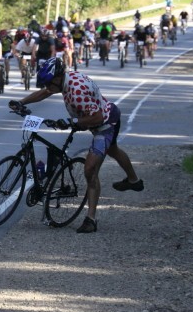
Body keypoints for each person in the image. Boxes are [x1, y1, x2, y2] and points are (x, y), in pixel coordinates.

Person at [8, 58, 143, 233]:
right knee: (113, 150)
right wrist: (22, 102)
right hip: (95, 120)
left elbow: (98, 118)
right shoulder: (64, 80)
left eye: (49, 83)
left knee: (90, 169)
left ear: (57, 78)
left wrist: (72, 122)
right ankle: (134, 181)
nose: (48, 87)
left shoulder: (76, 91)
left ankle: (91, 220)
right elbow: (45, 92)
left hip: (106, 124)